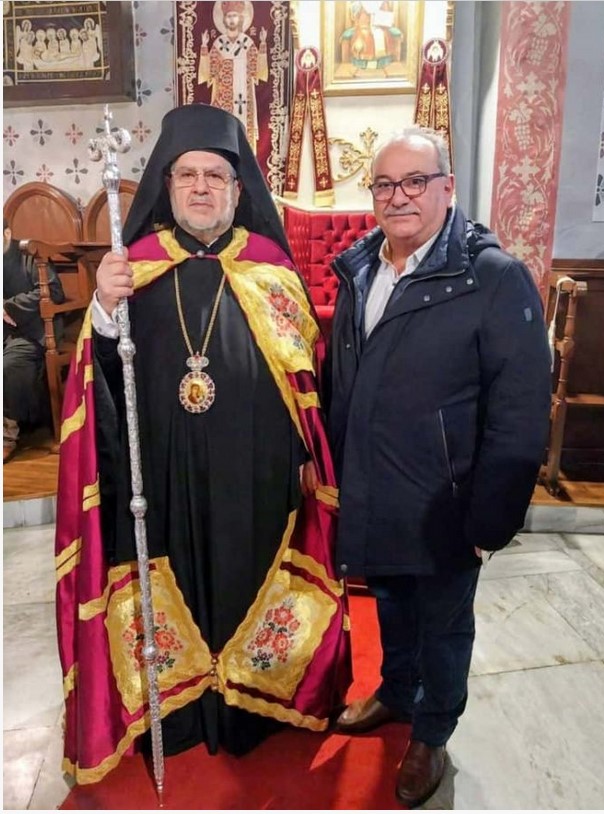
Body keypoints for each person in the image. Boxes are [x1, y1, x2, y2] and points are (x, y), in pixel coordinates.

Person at [55, 103, 351, 785]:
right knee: (174, 578)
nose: (200, 187)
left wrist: (307, 456)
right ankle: (181, 709)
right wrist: (103, 310)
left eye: (215, 176)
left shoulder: (271, 268)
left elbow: (307, 376)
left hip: (258, 471)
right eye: (186, 174)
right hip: (162, 472)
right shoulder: (133, 269)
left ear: (238, 190)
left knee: (254, 574)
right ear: (167, 185)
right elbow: (97, 383)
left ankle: (252, 709)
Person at [325, 126, 551, 808]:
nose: (398, 197)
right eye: (385, 184)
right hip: (375, 486)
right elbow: (344, 378)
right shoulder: (360, 267)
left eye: (415, 181)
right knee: (391, 605)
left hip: (445, 501)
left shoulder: (493, 277)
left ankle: (432, 734)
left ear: (447, 188)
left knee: (444, 626)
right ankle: (397, 693)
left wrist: (491, 519)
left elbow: (520, 412)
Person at [3, 220, 64, 462]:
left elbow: (53, 292)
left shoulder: (30, 256)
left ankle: (6, 436)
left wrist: (9, 307)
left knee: (9, 367)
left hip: (31, 331)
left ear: (7, 233)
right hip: (5, 332)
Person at [197, 0, 267, 153]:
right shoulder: (219, 44)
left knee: (244, 132)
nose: (232, 19)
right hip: (224, 97)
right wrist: (204, 47)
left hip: (245, 97)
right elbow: (209, 72)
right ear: (224, 19)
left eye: (235, 16)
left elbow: (258, 71)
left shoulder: (247, 43)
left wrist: (262, 45)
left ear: (240, 18)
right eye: (229, 16)